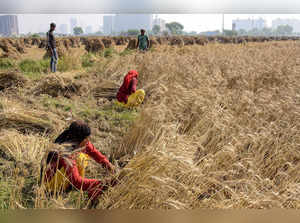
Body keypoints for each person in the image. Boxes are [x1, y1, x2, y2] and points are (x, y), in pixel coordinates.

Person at [41, 120, 116, 208]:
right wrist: (104, 183)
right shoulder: (64, 152)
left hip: (61, 173)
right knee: (80, 159)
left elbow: (92, 151)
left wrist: (108, 164)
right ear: (80, 139)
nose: (88, 140)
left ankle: (72, 185)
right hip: (50, 182)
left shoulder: (71, 138)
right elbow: (77, 182)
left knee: (80, 157)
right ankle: (58, 190)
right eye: (87, 138)